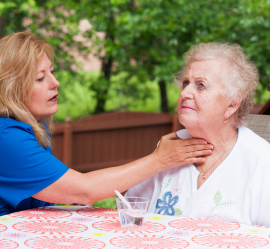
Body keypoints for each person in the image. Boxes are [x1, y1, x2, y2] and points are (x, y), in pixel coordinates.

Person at [0, 32, 213, 216]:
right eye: (40, 78)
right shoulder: (6, 137)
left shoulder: (34, 125)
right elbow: (84, 190)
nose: (55, 83)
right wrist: (160, 159)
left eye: (52, 72)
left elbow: (52, 190)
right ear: (12, 87)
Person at [126, 42, 270, 226]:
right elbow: (131, 211)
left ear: (232, 103)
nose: (185, 92)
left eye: (200, 85)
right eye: (186, 83)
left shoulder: (263, 162)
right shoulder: (168, 149)